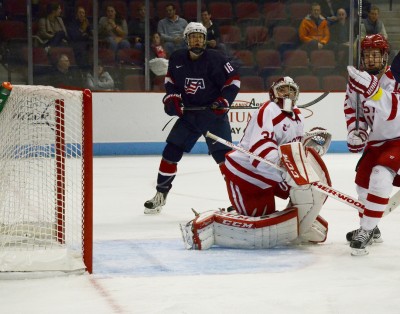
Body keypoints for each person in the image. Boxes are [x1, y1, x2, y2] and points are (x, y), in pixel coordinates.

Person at [179, 77, 333, 250]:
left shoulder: (297, 115)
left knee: (301, 190)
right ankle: (222, 218)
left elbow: (290, 144)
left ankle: (297, 220)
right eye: (283, 90)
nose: (287, 94)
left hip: (270, 172)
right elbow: (260, 148)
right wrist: (284, 167)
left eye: (291, 90)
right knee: (260, 216)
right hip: (247, 173)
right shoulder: (269, 110)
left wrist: (306, 144)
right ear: (273, 93)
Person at [143, 22, 240, 215]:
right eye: (193, 36)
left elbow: (233, 80)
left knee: (224, 158)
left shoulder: (217, 58)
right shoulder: (178, 58)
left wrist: (224, 100)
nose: (197, 39)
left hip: (213, 116)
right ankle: (160, 195)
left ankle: (239, 200)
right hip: (190, 115)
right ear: (187, 39)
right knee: (170, 152)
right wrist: (172, 98)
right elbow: (170, 82)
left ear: (205, 40)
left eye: (201, 36)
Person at [344, 42, 400, 255]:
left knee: (380, 175)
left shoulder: (395, 78)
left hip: (397, 139)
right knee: (363, 184)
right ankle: (372, 227)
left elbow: (393, 110)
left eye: (376, 55)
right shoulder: (356, 81)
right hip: (376, 142)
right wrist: (355, 131)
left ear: (385, 56)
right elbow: (352, 108)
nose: (371, 59)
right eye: (367, 55)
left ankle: (365, 230)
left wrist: (374, 91)